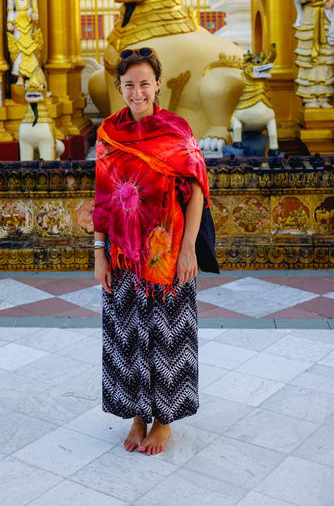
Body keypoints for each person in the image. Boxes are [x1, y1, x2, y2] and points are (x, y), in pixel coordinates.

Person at [93, 46, 209, 456]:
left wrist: (189, 249)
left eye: (144, 83)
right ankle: (137, 415)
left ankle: (164, 422)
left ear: (158, 84)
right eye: (129, 85)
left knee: (166, 337)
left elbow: (196, 193)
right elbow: (104, 197)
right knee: (127, 335)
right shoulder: (108, 132)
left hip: (166, 252)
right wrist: (99, 252)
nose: (137, 92)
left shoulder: (176, 129)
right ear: (119, 87)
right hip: (124, 256)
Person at [6, 0, 41, 85]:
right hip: (18, 24)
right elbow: (10, 9)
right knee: (19, 49)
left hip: (29, 23)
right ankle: (20, 76)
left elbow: (35, 7)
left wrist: (34, 14)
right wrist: (9, 22)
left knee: (31, 49)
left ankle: (32, 75)